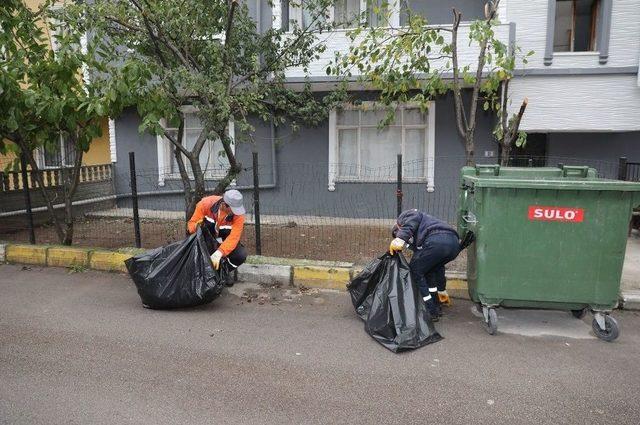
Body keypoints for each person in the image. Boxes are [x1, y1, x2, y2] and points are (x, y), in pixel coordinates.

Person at [389, 209, 461, 320]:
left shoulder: (406, 217)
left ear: (398, 227)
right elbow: (439, 269)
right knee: (430, 270)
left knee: (415, 270)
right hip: (454, 245)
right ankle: (436, 305)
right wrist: (442, 290)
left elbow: (414, 217)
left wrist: (399, 239)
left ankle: (430, 310)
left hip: (437, 241)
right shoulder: (422, 231)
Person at [187, 190, 247, 281]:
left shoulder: (239, 215)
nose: (236, 213)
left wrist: (220, 253)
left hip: (224, 241)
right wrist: (198, 226)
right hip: (206, 242)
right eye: (233, 209)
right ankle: (205, 273)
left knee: (240, 255)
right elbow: (191, 225)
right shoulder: (205, 204)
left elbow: (234, 237)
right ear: (224, 204)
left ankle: (223, 271)